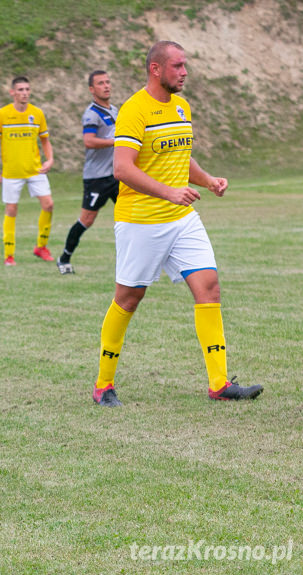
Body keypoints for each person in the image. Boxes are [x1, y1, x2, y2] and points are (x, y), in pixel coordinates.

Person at [93, 40, 263, 407]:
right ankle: (103, 385)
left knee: (209, 287)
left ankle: (219, 383)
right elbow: (122, 168)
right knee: (129, 298)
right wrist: (169, 193)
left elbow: (182, 157)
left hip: (182, 219)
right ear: (156, 69)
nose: (184, 72)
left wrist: (209, 180)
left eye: (185, 66)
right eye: (178, 66)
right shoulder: (134, 111)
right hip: (141, 221)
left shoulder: (182, 107)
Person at [0, 76, 56, 266]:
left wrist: (49, 159)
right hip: (11, 172)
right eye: (20, 90)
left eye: (27, 89)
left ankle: (41, 247)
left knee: (48, 205)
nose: (24, 93)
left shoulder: (37, 114)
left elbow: (45, 140)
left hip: (35, 170)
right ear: (12, 93)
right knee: (11, 209)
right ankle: (9, 254)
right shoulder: (3, 114)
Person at [57, 70, 119, 275]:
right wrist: (116, 141)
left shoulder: (115, 111)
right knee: (87, 219)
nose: (106, 86)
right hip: (97, 178)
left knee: (135, 215)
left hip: (117, 175)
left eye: (108, 82)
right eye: (101, 83)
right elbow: (89, 141)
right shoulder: (92, 114)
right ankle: (64, 258)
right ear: (92, 89)